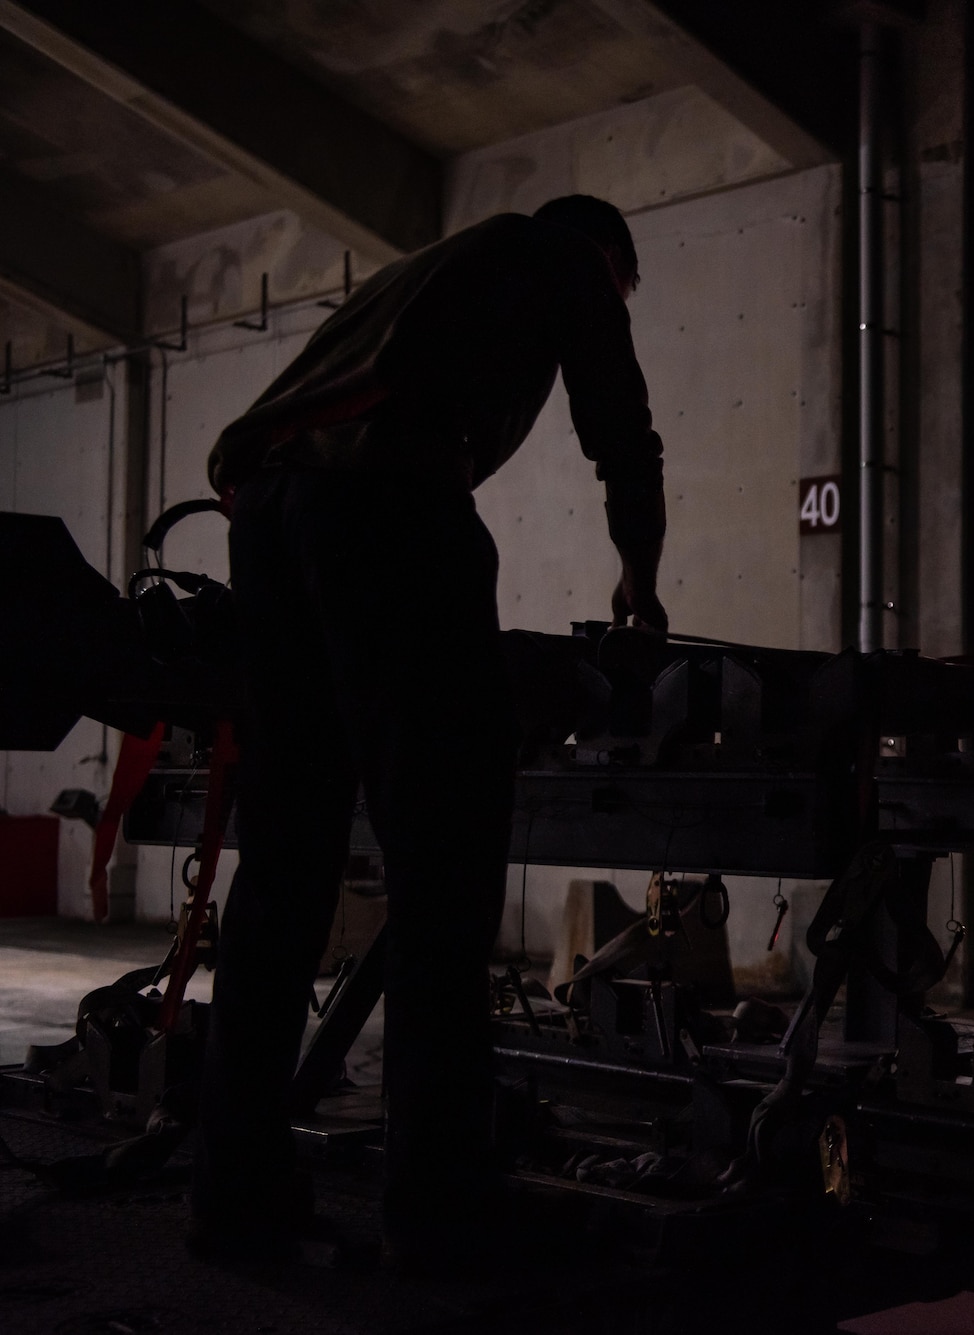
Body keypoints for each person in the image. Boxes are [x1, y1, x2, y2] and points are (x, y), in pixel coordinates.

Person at [190, 196, 667, 1268]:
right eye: (618, 295)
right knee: (444, 870)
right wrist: (639, 577)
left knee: (281, 871)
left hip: (267, 515)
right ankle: (439, 1204)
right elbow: (620, 432)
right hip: (390, 503)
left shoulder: (425, 272)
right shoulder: (565, 258)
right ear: (608, 263)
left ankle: (234, 1192)